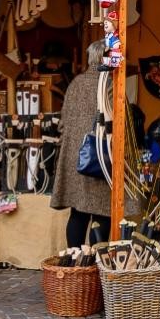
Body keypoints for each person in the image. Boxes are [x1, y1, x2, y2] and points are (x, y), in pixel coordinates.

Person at [51, 40, 113, 245]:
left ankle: (75, 262)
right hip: (100, 156)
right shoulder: (110, 83)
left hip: (74, 157)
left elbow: (63, 123)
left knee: (78, 213)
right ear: (106, 57)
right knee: (102, 213)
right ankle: (95, 264)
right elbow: (118, 123)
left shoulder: (76, 82)